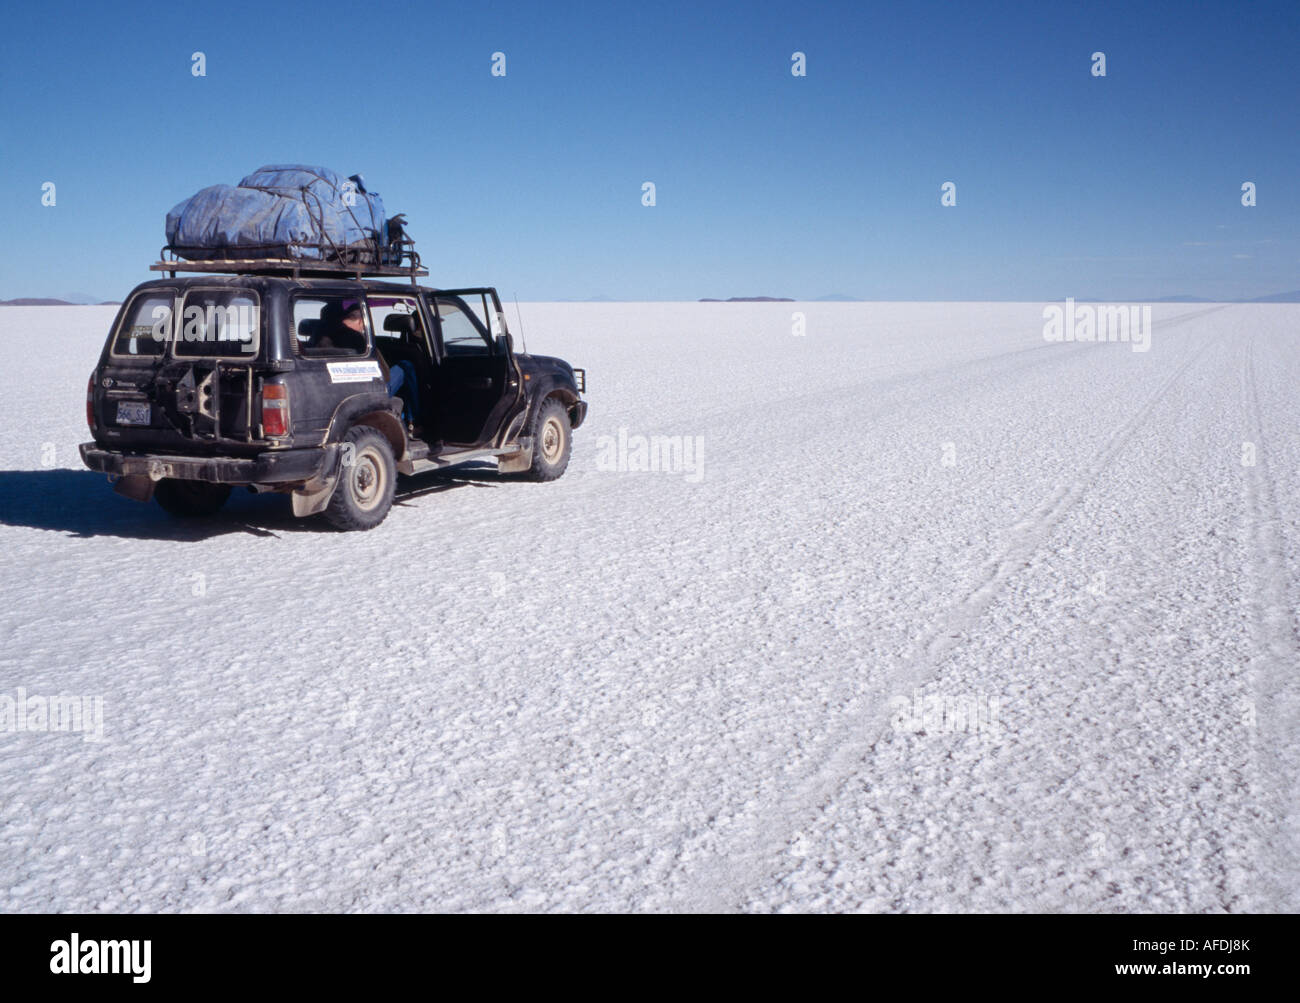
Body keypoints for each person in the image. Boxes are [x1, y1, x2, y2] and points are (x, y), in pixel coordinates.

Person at [333, 303, 422, 430]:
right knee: (406, 367)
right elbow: (385, 375)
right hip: (370, 391)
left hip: (345, 391)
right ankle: (414, 420)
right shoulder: (362, 341)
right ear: (360, 322)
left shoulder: (326, 337)